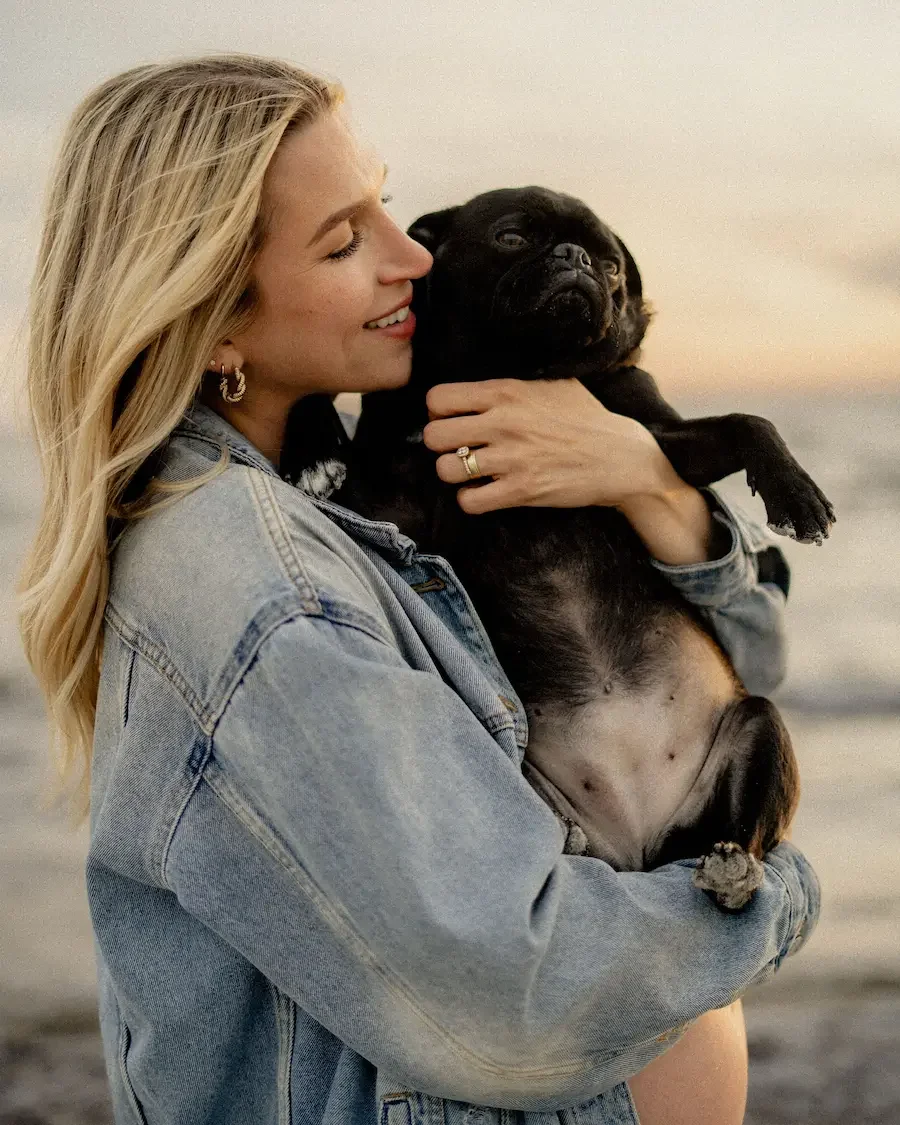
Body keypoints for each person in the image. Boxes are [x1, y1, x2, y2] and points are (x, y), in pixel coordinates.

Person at [18, 54, 818, 1125]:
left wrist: (644, 479)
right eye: (345, 241)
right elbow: (513, 998)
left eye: (386, 209)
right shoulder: (269, 594)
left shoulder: (326, 513)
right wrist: (779, 904)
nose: (412, 259)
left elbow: (737, 666)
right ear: (210, 322)